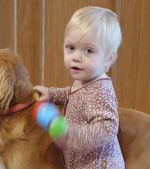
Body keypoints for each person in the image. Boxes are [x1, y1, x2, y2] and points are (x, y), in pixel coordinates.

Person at [34, 6, 125, 169]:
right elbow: (73, 94)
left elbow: (108, 128)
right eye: (71, 48)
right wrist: (52, 93)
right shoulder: (85, 80)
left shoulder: (101, 90)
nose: (76, 57)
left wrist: (69, 134)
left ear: (108, 59)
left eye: (88, 50)